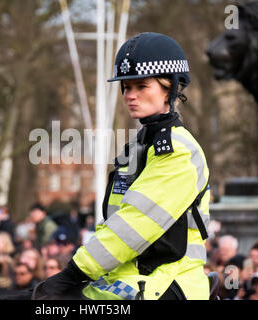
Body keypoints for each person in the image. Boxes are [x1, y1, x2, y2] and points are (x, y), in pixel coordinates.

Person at [40, 32, 211, 300]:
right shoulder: (138, 146)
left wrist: (74, 272)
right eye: (126, 87)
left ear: (171, 88)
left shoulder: (177, 150)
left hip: (168, 281)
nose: (130, 95)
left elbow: (135, 224)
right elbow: (113, 221)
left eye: (141, 86)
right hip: (129, 278)